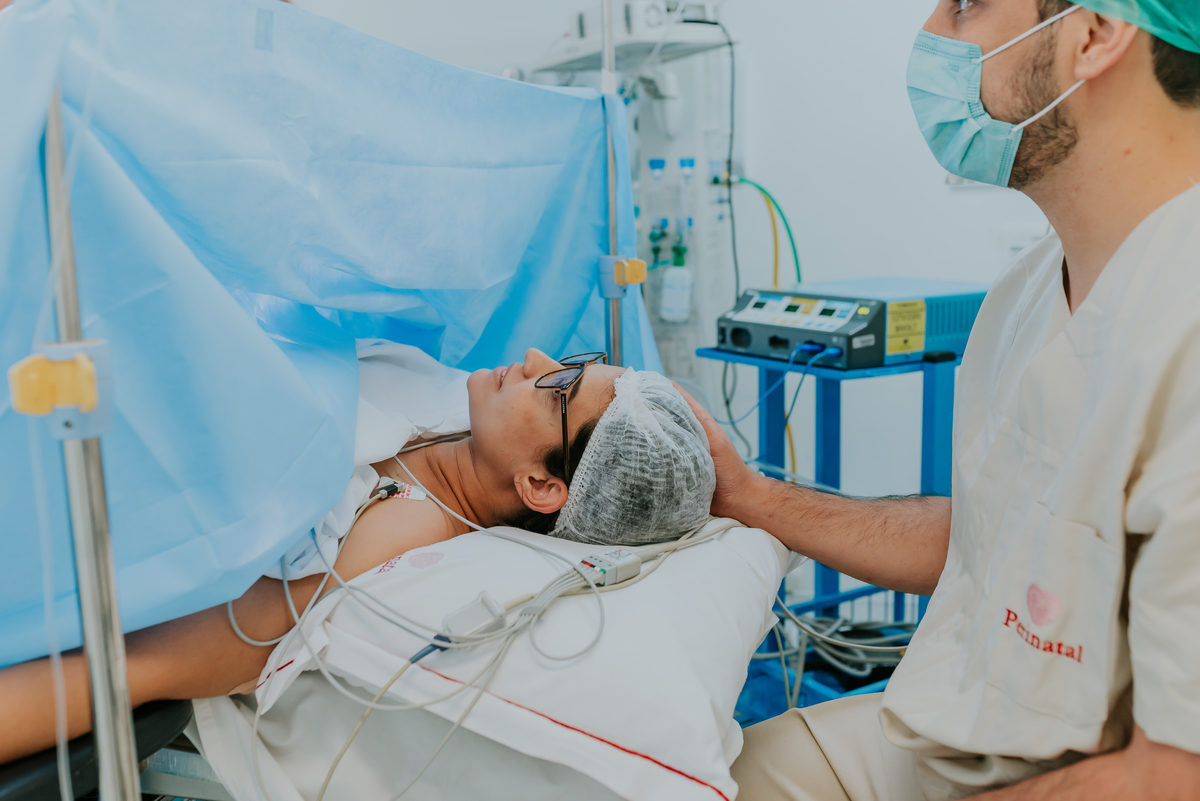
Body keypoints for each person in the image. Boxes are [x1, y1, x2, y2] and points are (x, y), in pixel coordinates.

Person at [680, 1, 1200, 799]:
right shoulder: (1027, 295)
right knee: (695, 775)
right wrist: (748, 496)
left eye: (967, 4)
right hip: (947, 735)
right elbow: (990, 536)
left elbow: (1173, 773)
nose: (932, 35)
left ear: (1095, 35)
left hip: (1097, 778)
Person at [0, 348, 715, 764]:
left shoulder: (383, 544)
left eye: (557, 386)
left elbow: (132, 666)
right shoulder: (450, 409)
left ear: (542, 485)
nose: (533, 359)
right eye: (574, 362)